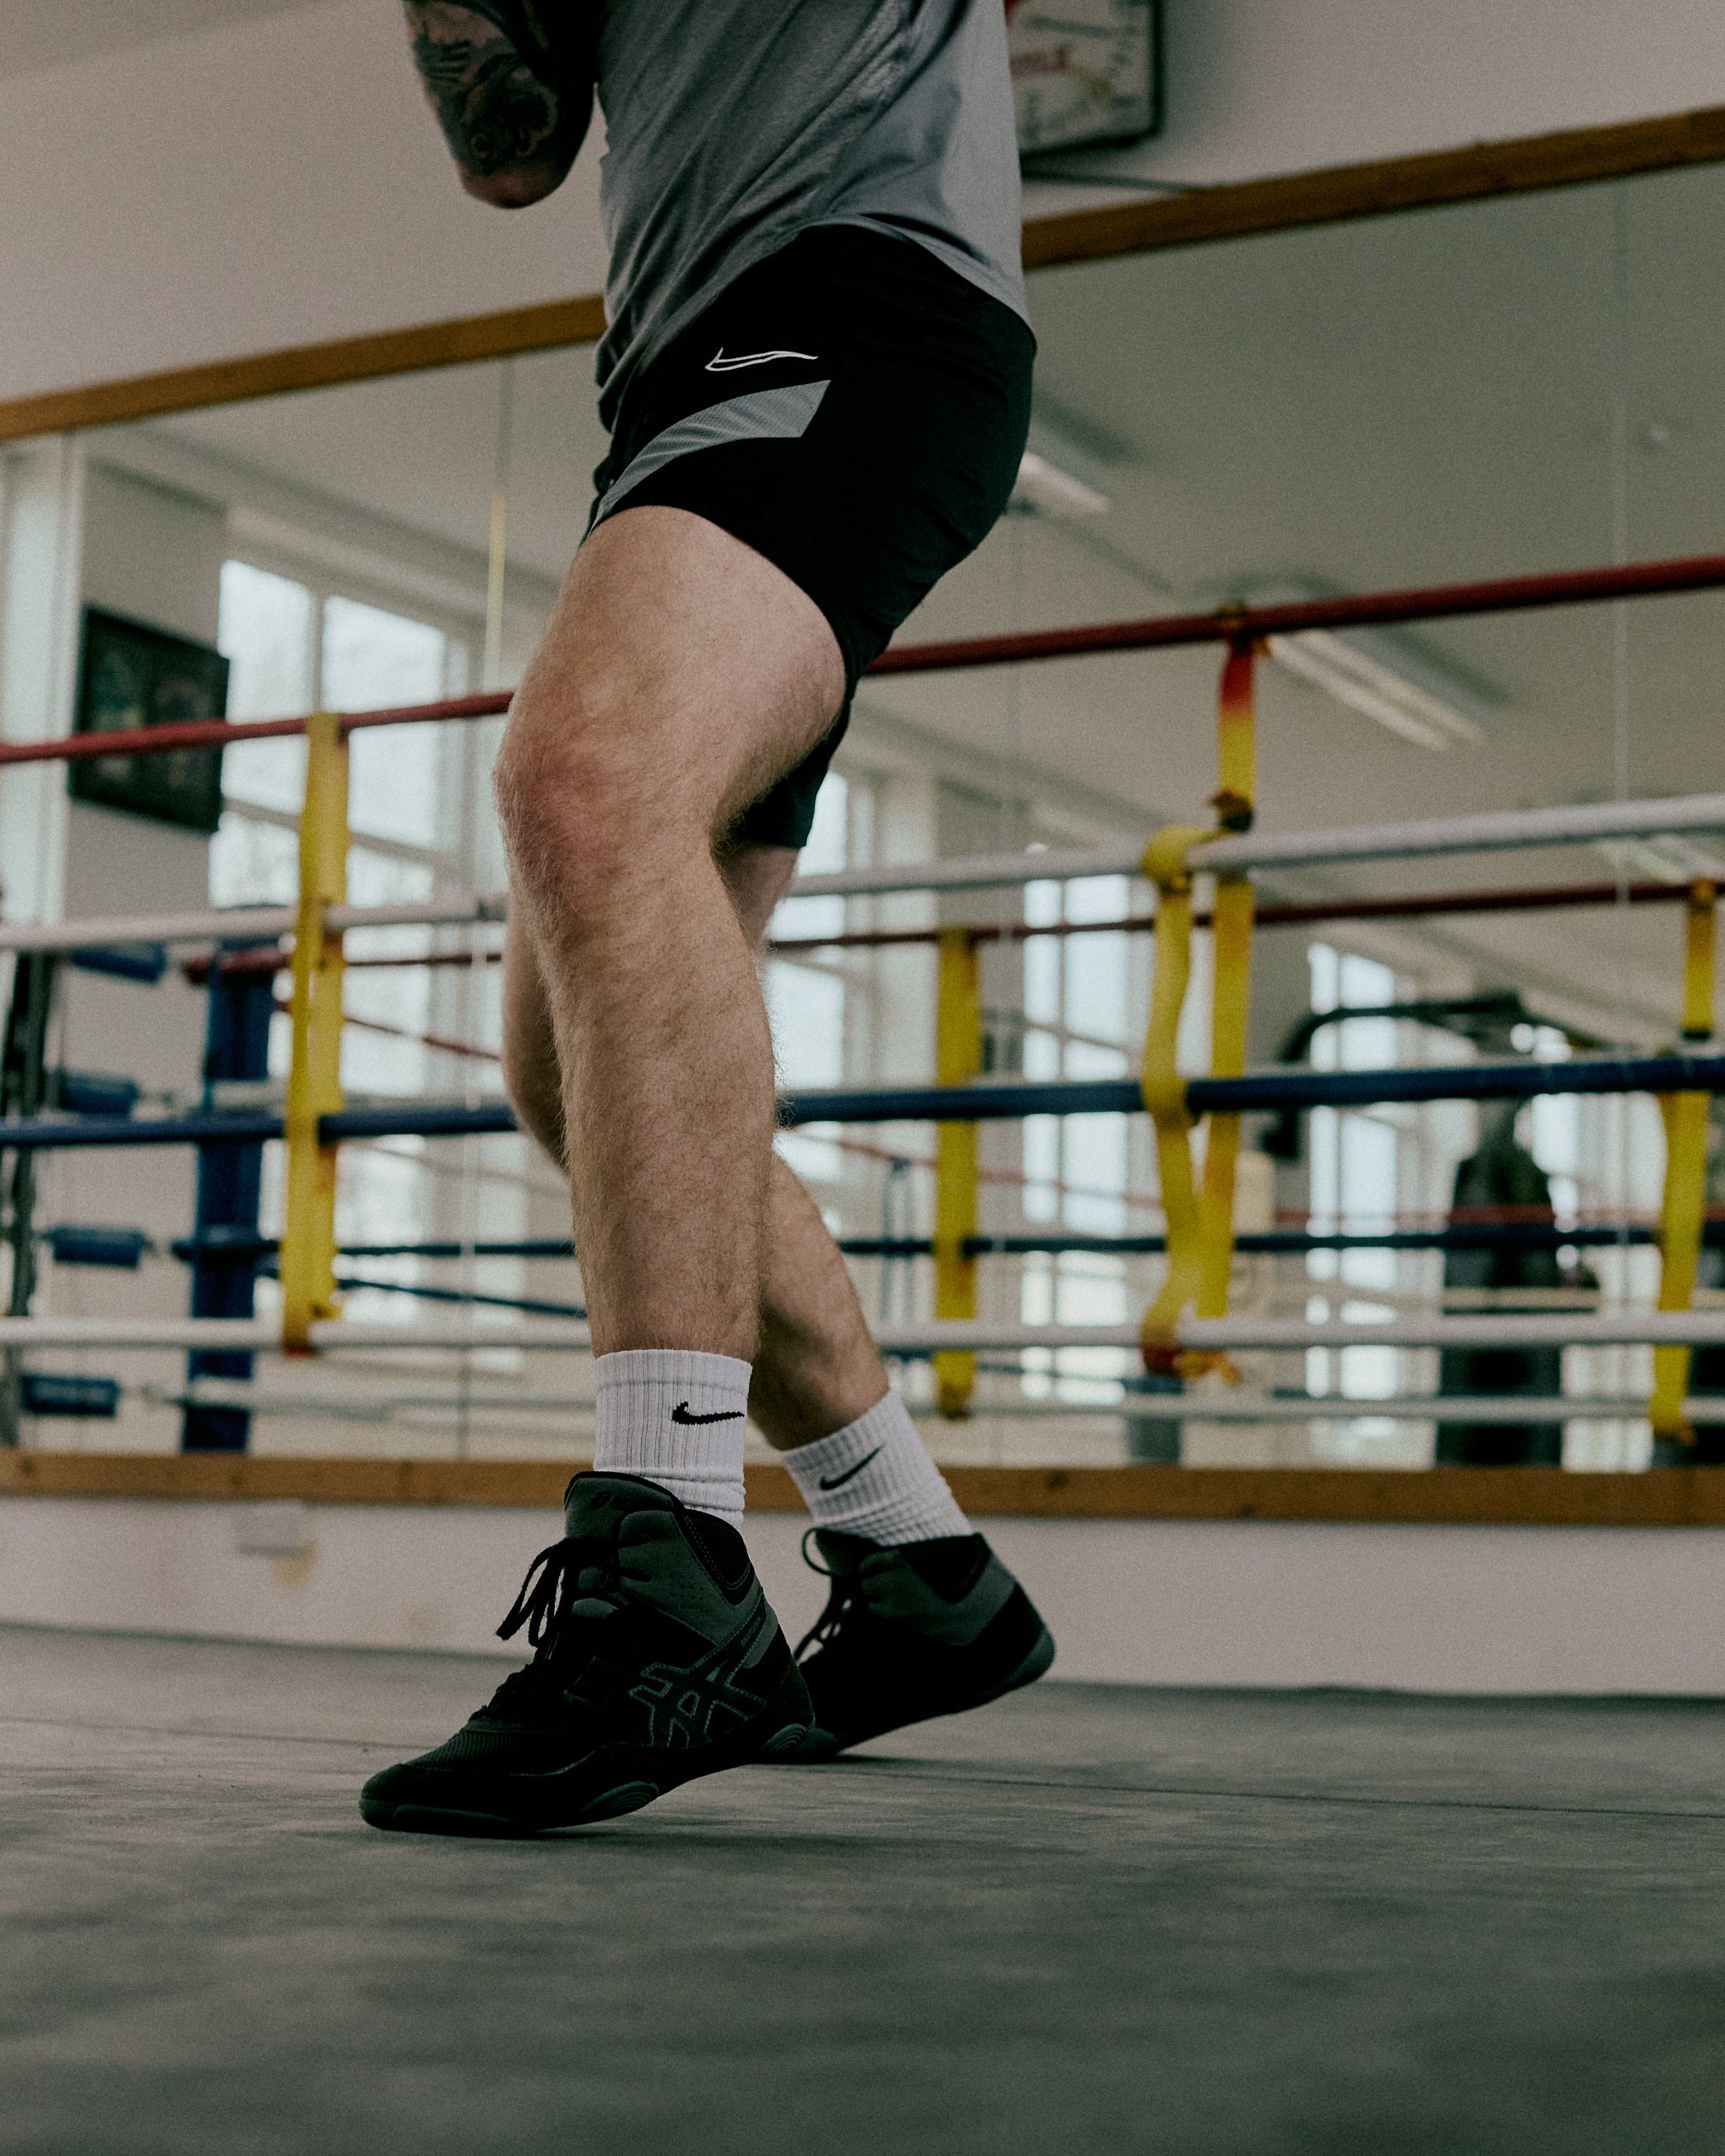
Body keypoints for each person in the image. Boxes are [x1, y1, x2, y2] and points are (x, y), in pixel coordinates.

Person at [361, 0, 1053, 1838]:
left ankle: (665, 1565)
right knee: (561, 1057)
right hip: (673, 376)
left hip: (860, 296)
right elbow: (510, 144)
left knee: (580, 786)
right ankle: (912, 1558)